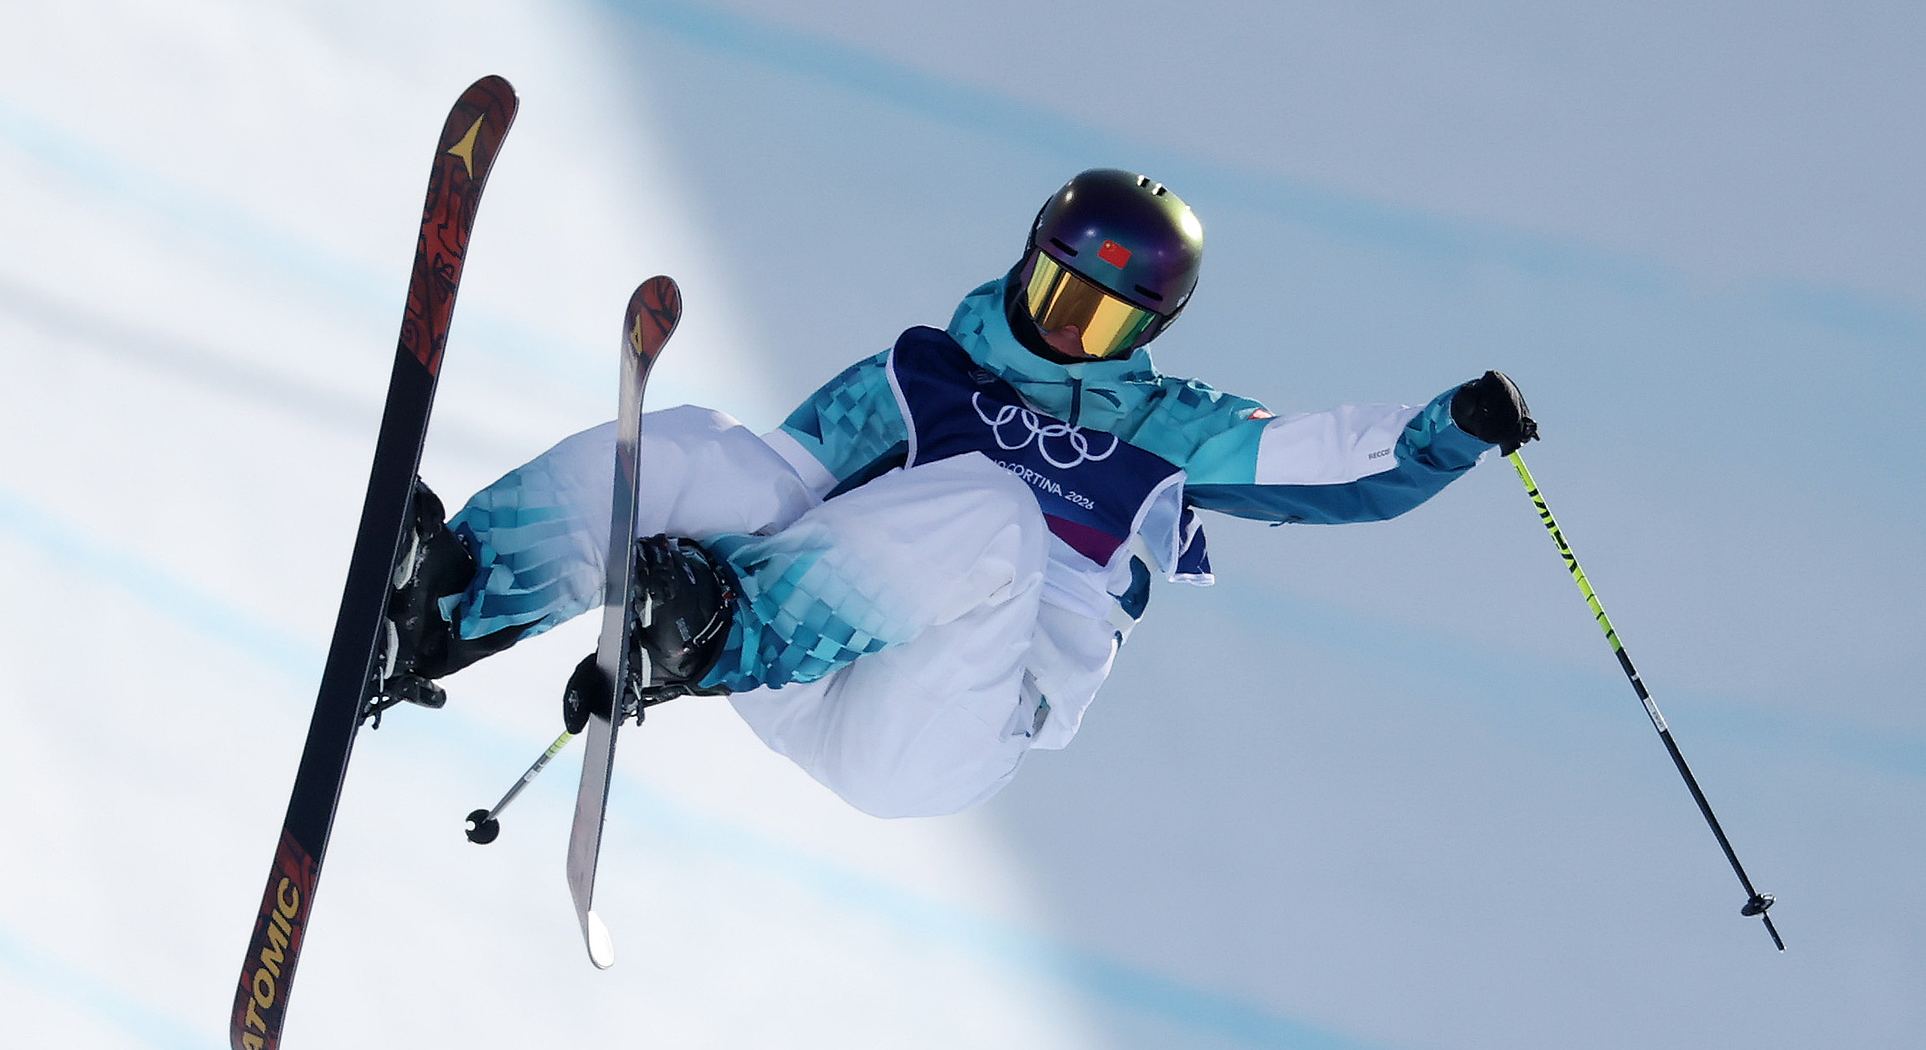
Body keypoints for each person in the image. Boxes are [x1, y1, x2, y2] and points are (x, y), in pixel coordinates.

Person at [377, 169, 1538, 817]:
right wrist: (680, 538)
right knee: (695, 445)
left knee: (991, 512)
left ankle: (709, 629)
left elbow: (1333, 462)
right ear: (1025, 257)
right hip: (803, 660)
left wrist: (1449, 430)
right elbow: (777, 480)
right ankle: (451, 601)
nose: (1062, 327)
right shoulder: (924, 369)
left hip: (934, 726)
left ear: (1148, 331)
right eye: (1053, 289)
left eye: (1101, 319)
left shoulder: (1167, 433)